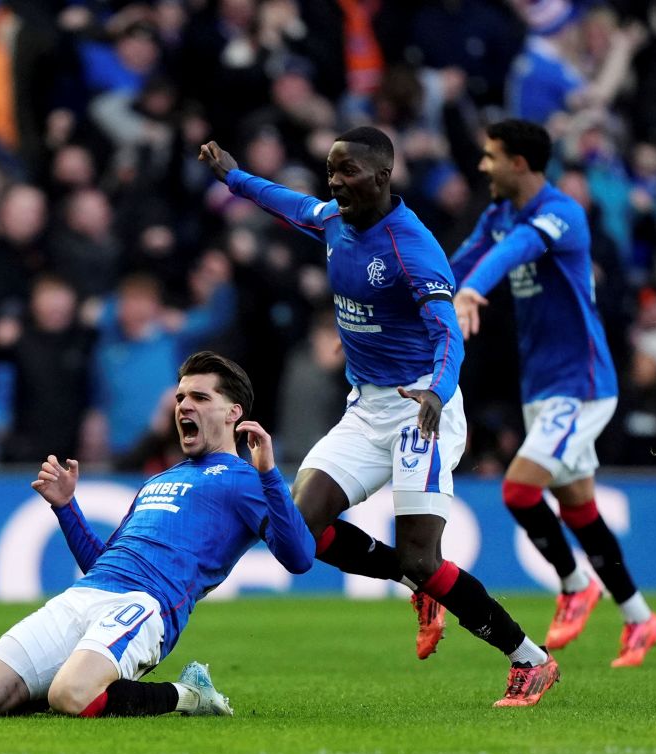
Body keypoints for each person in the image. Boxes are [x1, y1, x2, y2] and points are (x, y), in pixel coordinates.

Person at [200, 126, 560, 707]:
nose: (336, 183)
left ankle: (530, 660)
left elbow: (448, 333)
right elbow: (289, 204)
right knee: (297, 529)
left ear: (383, 177)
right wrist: (236, 178)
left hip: (423, 408)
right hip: (367, 408)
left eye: (348, 172)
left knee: (426, 557)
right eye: (331, 171)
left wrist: (440, 392)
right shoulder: (335, 220)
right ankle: (416, 584)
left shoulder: (411, 249)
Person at [0, 351, 314, 718]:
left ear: (233, 413)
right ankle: (78, 678)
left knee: (74, 696)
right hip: (84, 595)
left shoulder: (246, 481)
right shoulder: (157, 481)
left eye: (200, 398)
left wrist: (269, 474)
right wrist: (65, 507)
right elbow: (103, 563)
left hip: (145, 604)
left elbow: (299, 557)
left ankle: (189, 695)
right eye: (180, 398)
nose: (184, 407)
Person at [451, 119, 656, 668]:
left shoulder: (561, 212)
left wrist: (475, 289)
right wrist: (417, 299)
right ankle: (641, 618)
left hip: (583, 384)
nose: (483, 166)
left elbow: (516, 250)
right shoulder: (497, 214)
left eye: (491, 156)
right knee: (579, 508)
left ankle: (574, 583)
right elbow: (461, 262)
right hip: (542, 386)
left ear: (519, 163)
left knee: (519, 491)